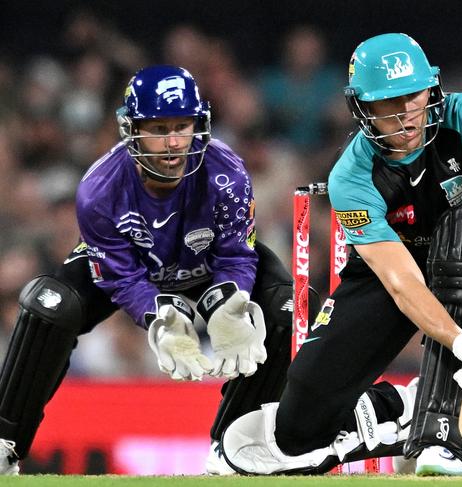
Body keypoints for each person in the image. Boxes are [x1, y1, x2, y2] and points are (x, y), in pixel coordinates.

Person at [220, 33, 462, 476]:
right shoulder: (350, 177)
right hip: (395, 269)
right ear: (362, 108)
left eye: (413, 94)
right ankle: (399, 410)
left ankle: (443, 430)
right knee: (300, 420)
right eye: (388, 101)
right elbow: (401, 282)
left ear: (431, 87)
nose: (407, 112)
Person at [0, 65, 316, 475]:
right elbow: (122, 277)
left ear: (198, 125)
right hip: (136, 268)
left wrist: (230, 302)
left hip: (208, 265)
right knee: (48, 304)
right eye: (158, 128)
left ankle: (237, 452)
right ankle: (6, 442)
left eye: (182, 126)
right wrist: (161, 317)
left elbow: (236, 253)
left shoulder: (228, 173)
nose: (172, 143)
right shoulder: (99, 190)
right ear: (131, 130)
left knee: (288, 310)